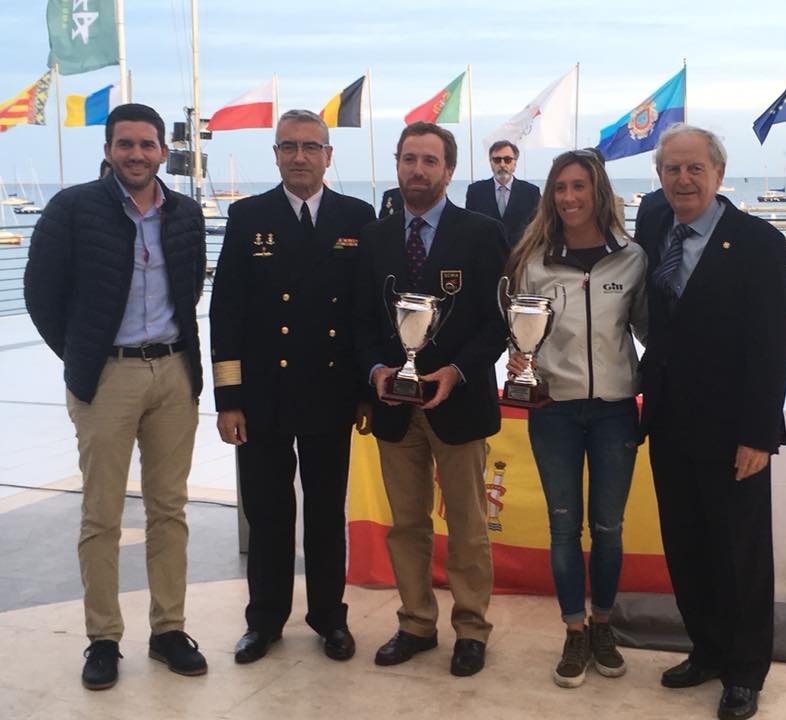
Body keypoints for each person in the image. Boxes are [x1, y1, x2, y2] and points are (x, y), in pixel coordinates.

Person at [24, 103, 208, 690]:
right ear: (107, 151)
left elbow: (190, 287)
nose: (136, 154)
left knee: (169, 509)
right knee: (101, 513)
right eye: (124, 144)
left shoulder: (185, 213)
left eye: (147, 144)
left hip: (173, 373)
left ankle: (168, 630)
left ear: (162, 152)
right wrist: (83, 355)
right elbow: (40, 294)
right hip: (107, 376)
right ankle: (103, 638)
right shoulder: (72, 209)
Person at [634, 124, 786, 720]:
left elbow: (773, 345)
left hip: (733, 431)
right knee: (686, 545)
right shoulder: (654, 226)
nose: (683, 179)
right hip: (669, 421)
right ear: (659, 177)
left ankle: (745, 671)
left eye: (695, 168)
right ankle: (706, 649)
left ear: (719, 174)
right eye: (672, 169)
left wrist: (759, 434)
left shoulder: (757, 242)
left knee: (739, 554)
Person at [209, 109, 376, 665]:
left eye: (309, 147)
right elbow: (226, 312)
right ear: (276, 155)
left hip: (331, 392)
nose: (299, 157)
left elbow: (363, 314)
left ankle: (330, 617)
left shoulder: (357, 216)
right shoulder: (247, 216)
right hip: (264, 397)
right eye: (288, 147)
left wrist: (364, 392)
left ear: (329, 156)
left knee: (326, 513)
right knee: (268, 514)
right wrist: (229, 400)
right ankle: (264, 621)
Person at [354, 121, 507, 677]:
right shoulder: (375, 237)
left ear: (449, 169)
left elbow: (499, 321)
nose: (417, 170)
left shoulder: (483, 233)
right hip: (394, 409)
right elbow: (360, 320)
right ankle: (416, 623)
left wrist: (457, 371)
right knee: (406, 525)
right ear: (397, 164)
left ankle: (471, 629)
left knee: (467, 526)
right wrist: (376, 370)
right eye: (409, 159)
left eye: (429, 160)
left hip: (458, 404)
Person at [503, 149, 647, 688]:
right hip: (554, 410)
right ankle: (573, 630)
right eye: (560, 188)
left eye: (579, 186)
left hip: (614, 410)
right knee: (563, 526)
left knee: (608, 527)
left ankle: (603, 626)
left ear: (598, 192)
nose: (569, 197)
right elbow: (519, 332)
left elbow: (652, 331)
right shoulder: (534, 261)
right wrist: (517, 359)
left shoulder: (632, 257)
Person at [465, 139, 541, 248]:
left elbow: (538, 229)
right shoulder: (475, 192)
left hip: (519, 256)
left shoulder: (531, 193)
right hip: (486, 255)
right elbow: (470, 229)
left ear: (515, 163)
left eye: (507, 160)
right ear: (491, 163)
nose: (502, 164)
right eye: (497, 160)